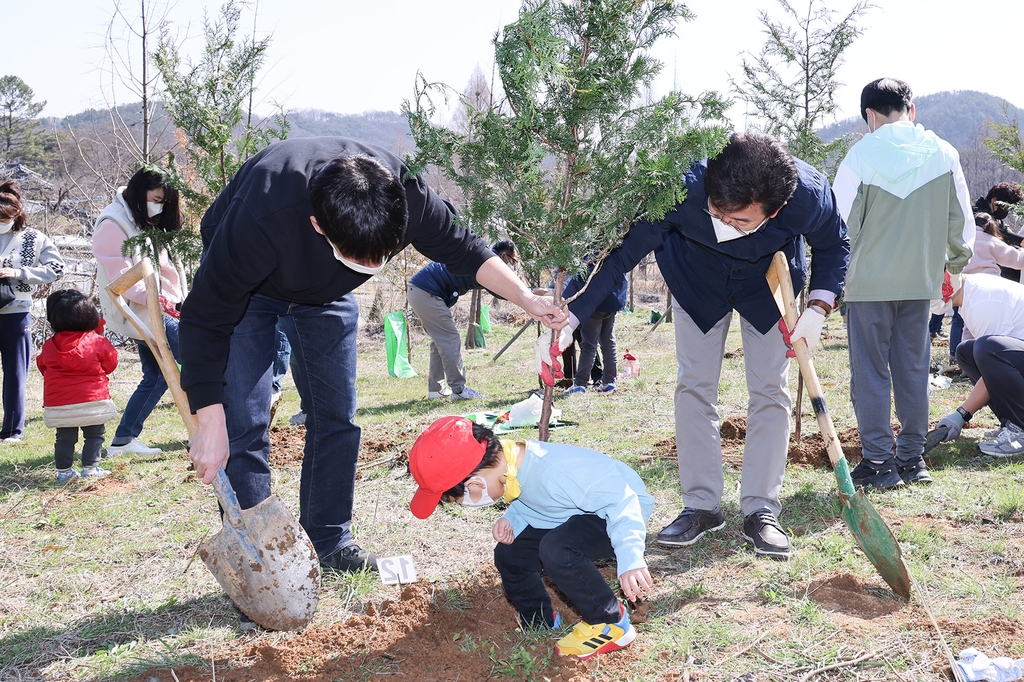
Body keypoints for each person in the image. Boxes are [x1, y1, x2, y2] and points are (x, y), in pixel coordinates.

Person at [178, 138, 565, 576]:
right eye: (357, 258)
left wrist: (523, 298)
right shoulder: (261, 217)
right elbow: (205, 319)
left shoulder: (407, 195)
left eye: (381, 256)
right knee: (243, 427)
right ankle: (260, 563)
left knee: (337, 416)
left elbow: (466, 248)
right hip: (250, 293)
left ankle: (329, 541)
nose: (373, 265)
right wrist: (209, 420)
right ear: (318, 225)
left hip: (325, 298)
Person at [538, 131, 849, 561]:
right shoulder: (678, 184)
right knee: (694, 386)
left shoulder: (807, 195)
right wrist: (570, 317)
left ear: (775, 210)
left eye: (740, 220)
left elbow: (834, 244)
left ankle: (761, 510)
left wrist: (817, 308)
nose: (726, 227)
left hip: (768, 288)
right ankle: (701, 506)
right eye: (717, 213)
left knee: (770, 391)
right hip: (695, 282)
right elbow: (616, 254)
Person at [408, 416, 653, 659]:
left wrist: (630, 558)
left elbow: (622, 503)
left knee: (557, 549)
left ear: (475, 485)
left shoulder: (556, 471)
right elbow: (537, 500)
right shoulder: (511, 466)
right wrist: (512, 519)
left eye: (459, 501)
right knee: (510, 554)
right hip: (573, 515)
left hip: (616, 517)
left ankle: (609, 622)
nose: (465, 505)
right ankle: (539, 621)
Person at [832, 78, 973, 490]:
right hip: (920, 282)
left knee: (870, 373)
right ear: (910, 111)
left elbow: (836, 222)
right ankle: (912, 458)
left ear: (870, 115)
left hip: (868, 285)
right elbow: (961, 223)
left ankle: (878, 461)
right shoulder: (944, 153)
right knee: (912, 370)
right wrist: (953, 269)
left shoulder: (860, 154)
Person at [93, 168, 188, 457]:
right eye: (156, 198)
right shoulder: (113, 221)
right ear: (140, 191)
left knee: (157, 377)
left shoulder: (144, 219)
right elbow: (120, 278)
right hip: (146, 310)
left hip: (162, 307)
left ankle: (123, 439)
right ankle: (210, 431)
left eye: (164, 201)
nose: (159, 205)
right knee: (195, 359)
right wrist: (160, 300)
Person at [407, 240, 519, 400]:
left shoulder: (484, 257)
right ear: (503, 255)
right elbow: (501, 291)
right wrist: (530, 294)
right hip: (426, 291)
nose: (513, 266)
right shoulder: (489, 262)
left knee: (440, 341)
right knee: (449, 339)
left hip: (419, 290)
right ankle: (459, 390)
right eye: (513, 261)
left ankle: (435, 389)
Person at [0, 179, 65, 443]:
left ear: (16, 214)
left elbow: (57, 269)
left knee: (15, 373)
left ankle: (13, 430)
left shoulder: (33, 238)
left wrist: (18, 273)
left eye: (5, 217)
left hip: (16, 311)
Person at [934, 274, 1024, 457]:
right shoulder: (970, 295)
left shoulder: (981, 302)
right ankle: (1010, 422)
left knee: (987, 349)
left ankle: (1019, 428)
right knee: (966, 352)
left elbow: (995, 361)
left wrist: (962, 414)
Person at [36, 290, 119, 482]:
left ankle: (64, 472)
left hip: (60, 402)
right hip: (93, 399)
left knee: (64, 437)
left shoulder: (49, 345)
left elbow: (42, 366)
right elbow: (110, 364)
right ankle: (91, 468)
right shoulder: (96, 342)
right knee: (95, 435)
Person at [562, 264, 627, 394]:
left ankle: (580, 384)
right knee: (608, 341)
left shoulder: (593, 251)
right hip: (613, 299)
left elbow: (581, 276)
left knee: (589, 345)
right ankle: (609, 381)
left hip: (594, 302)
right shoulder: (618, 247)